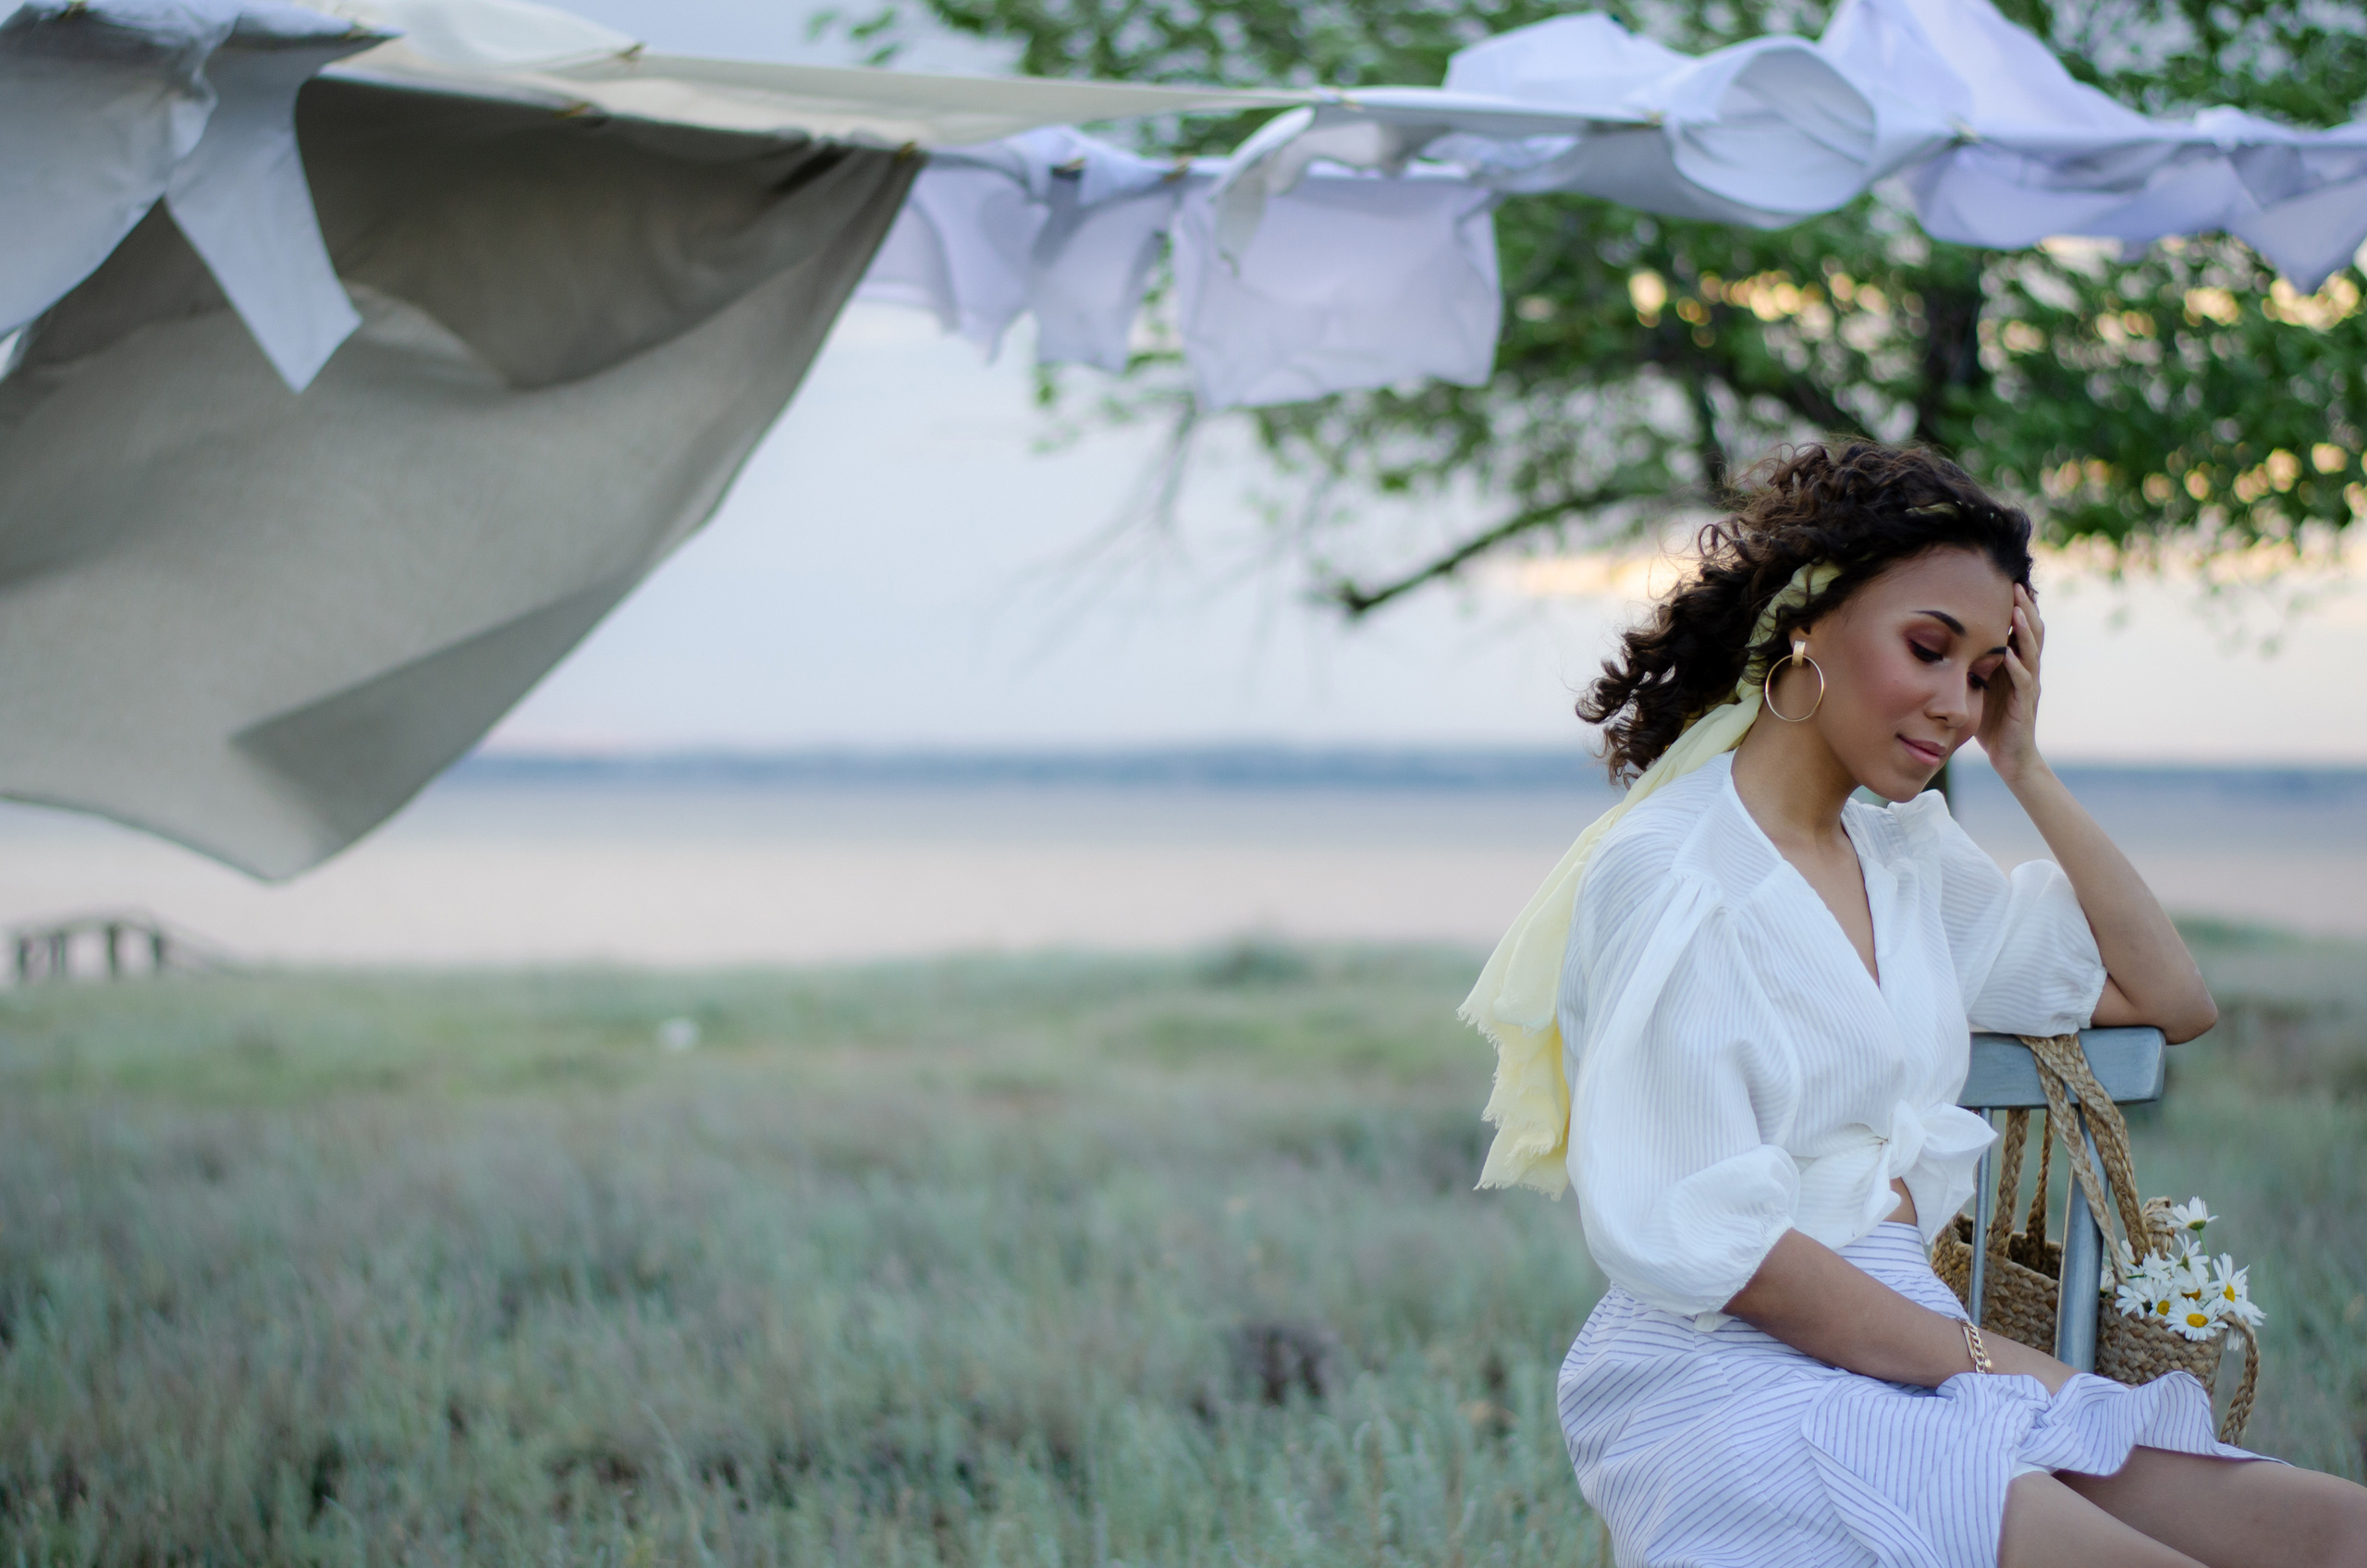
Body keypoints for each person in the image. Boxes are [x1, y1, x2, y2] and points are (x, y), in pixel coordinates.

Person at [1461, 443, 2367, 1567]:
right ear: (1808, 622)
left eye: (1985, 673)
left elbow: (2169, 997)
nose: (1953, 704)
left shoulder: (1902, 865)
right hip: (1729, 1373)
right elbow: (1727, 1251)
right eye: (1928, 649)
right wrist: (1997, 1361)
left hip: (1910, 1346)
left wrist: (2023, 764)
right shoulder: (1680, 878)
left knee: (2339, 1532)